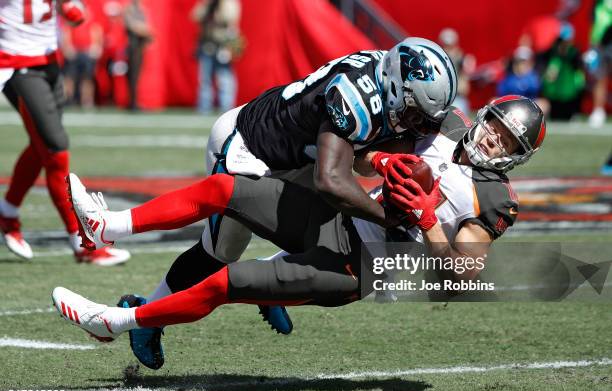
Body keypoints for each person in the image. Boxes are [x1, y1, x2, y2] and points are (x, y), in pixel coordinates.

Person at [60, 37, 459, 368]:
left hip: (297, 157)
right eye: (414, 113)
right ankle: (136, 288)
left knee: (324, 231)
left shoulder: (381, 85)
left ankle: (267, 291)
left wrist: (382, 158)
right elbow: (332, 179)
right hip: (248, 150)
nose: (418, 127)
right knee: (218, 254)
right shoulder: (357, 95)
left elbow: (353, 153)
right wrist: (389, 217)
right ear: (394, 87)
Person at [53, 96, 546, 355]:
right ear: (485, 115)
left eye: (506, 142)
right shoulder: (446, 123)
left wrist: (425, 220)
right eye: (495, 127)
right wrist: (382, 159)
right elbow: (367, 154)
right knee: (226, 189)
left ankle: (114, 323)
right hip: (342, 215)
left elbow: (460, 279)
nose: (492, 141)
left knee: (230, 281)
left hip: (361, 266)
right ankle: (107, 226)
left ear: (516, 156)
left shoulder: (495, 197)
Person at [0, 0, 130, 265]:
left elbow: (70, 10)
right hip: (17, 65)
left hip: (49, 62)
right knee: (56, 150)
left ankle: (7, 212)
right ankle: (82, 242)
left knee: (43, 147)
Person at [191, 0, 242, 114]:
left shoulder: (230, 3)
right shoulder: (207, 3)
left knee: (224, 78)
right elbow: (195, 16)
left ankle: (226, 107)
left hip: (223, 44)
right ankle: (204, 107)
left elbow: (228, 19)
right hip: (207, 44)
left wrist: (220, 5)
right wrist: (208, 5)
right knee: (205, 78)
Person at [60, 7, 104, 108]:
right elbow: (66, 33)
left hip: (87, 53)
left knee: (87, 78)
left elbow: (97, 33)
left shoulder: (92, 24)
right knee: (69, 77)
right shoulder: (71, 23)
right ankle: (68, 99)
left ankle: (87, 101)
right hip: (74, 52)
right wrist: (67, 47)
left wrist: (96, 47)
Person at [540, 23, 585, 120]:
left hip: (569, 90)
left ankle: (574, 113)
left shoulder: (574, 52)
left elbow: (578, 71)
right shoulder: (551, 52)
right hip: (554, 90)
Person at [497, 46, 550, 115]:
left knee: (544, 104)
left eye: (524, 62)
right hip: (511, 105)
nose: (522, 64)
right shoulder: (509, 77)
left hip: (530, 105)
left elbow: (536, 88)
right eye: (519, 61)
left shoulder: (534, 76)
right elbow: (501, 92)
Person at [438, 28, 475, 114]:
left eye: (450, 46)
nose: (448, 49)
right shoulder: (438, 59)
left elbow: (465, 85)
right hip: (441, 98)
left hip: (458, 98)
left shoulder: (463, 58)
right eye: (445, 46)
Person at [587, 0, 612, 128]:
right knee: (599, 77)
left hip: (609, 42)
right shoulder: (598, 2)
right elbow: (594, 21)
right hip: (597, 45)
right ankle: (598, 111)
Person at [123, 0, 152, 111]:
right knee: (132, 76)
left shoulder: (142, 9)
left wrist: (144, 30)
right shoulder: (128, 9)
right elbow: (133, 26)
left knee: (136, 76)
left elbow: (147, 27)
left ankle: (134, 101)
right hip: (133, 46)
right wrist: (143, 29)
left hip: (140, 46)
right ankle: (132, 102)